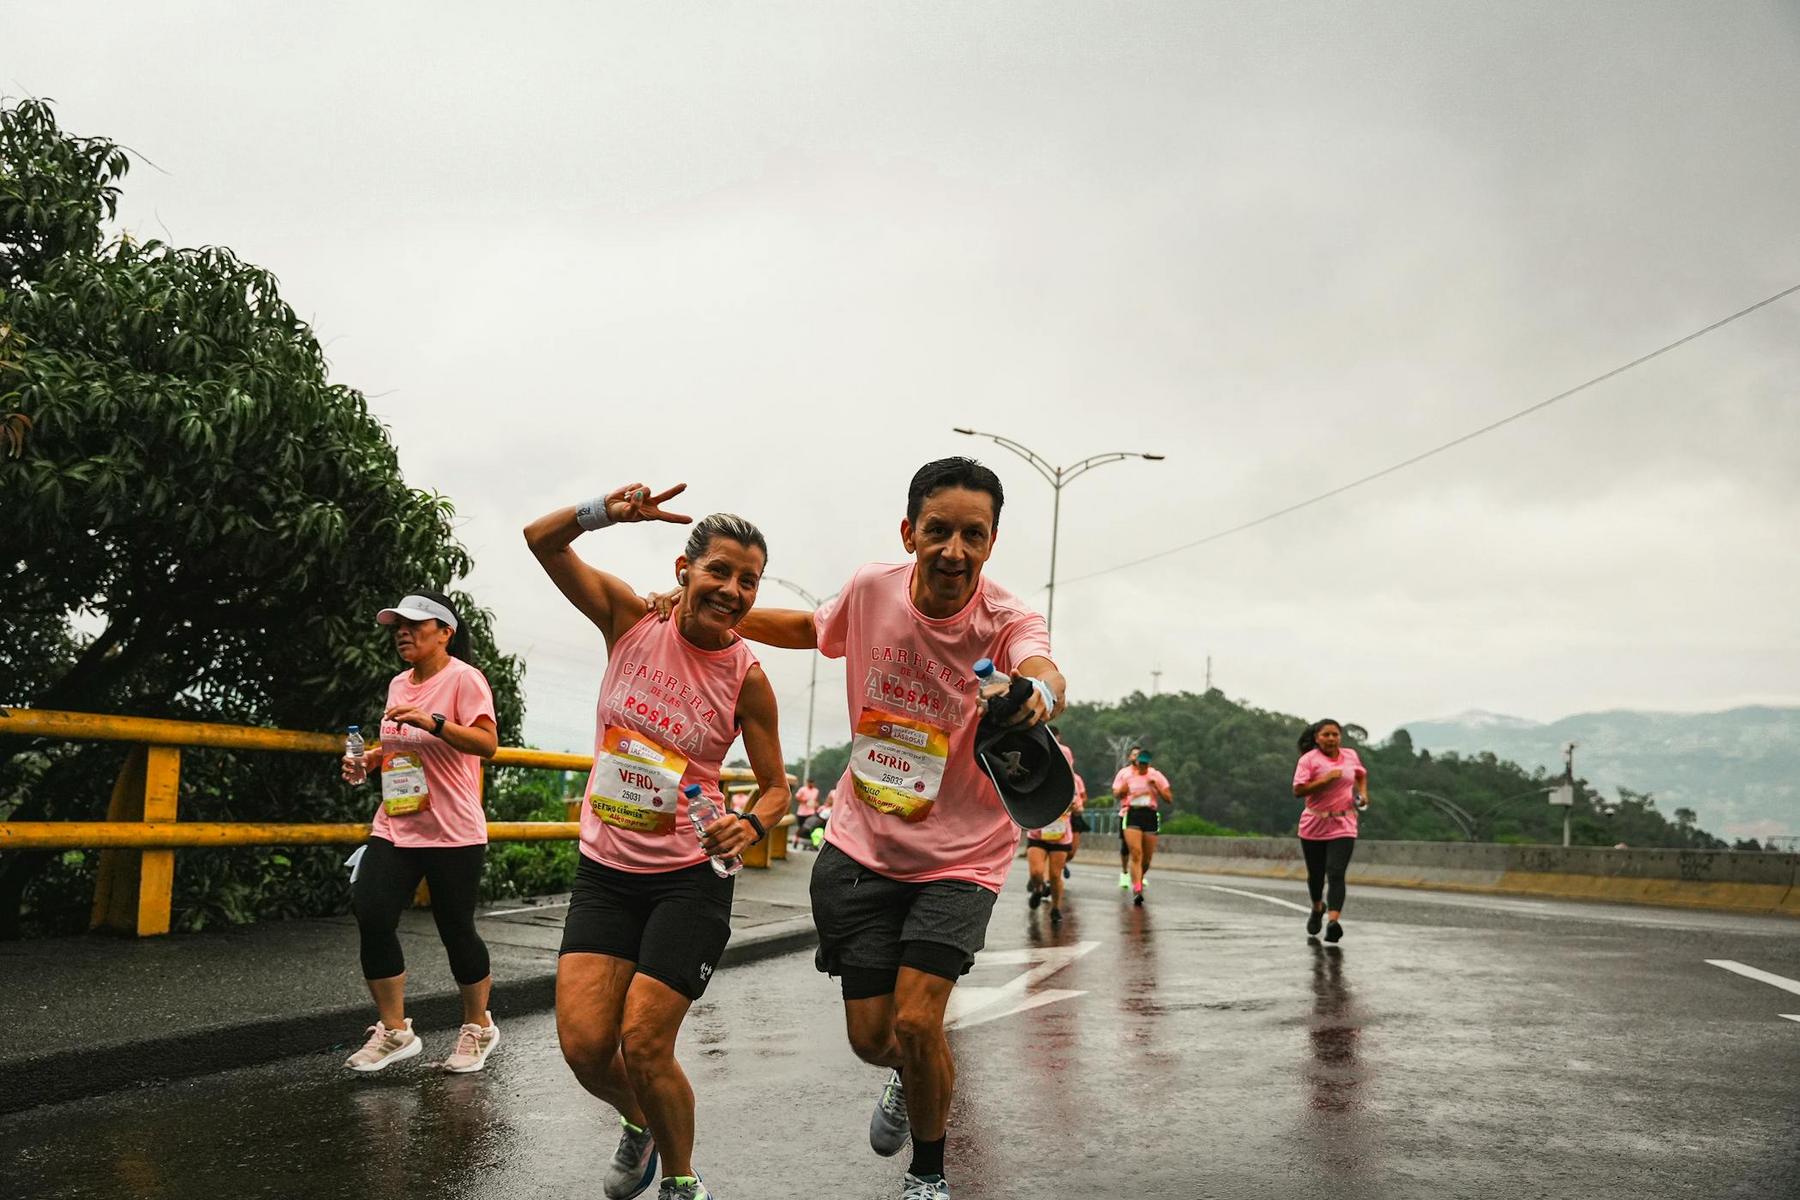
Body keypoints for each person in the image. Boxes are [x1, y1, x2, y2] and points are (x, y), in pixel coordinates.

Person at [671, 457, 1066, 1200]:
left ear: (992, 540)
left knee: (920, 1022)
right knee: (872, 1038)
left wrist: (1034, 693)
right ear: (909, 530)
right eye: (939, 531)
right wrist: (709, 608)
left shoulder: (1008, 618)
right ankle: (905, 1076)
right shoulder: (871, 587)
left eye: (973, 536)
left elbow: (1043, 671)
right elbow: (806, 628)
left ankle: (928, 1173)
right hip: (860, 846)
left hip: (962, 854)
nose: (955, 550)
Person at [526, 485, 791, 1200]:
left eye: (748, 581)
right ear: (684, 569)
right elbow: (540, 540)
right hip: (607, 869)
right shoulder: (628, 619)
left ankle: (682, 1180)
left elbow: (777, 789)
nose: (732, 591)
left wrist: (755, 823)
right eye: (720, 572)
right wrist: (605, 512)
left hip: (690, 877)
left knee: (643, 1043)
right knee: (585, 1048)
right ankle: (639, 1123)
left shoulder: (749, 679)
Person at [340, 590, 502, 1075]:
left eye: (414, 624)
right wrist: (371, 759)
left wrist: (434, 722)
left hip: (453, 829)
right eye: (396, 626)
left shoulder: (465, 679)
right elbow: (402, 748)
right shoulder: (397, 684)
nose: (402, 632)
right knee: (370, 909)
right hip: (397, 822)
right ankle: (395, 1031)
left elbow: (487, 743)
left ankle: (478, 1026)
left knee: (456, 930)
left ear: (445, 632)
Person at [1292, 718, 1368, 943]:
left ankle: (1333, 922)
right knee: (1316, 876)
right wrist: (1324, 780)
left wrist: (1363, 795)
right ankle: (1318, 907)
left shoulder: (1350, 756)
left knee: (1335, 873)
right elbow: (1298, 791)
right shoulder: (1309, 760)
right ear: (1317, 738)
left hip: (1344, 824)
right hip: (1314, 824)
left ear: (1340, 737)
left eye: (1335, 734)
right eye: (1326, 735)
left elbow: (1361, 775)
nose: (1331, 739)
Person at [1114, 748, 1172, 905]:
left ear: (1149, 764)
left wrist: (1157, 787)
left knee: (1146, 859)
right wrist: (1123, 790)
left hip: (1150, 815)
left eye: (1146, 764)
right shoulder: (1128, 775)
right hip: (1132, 813)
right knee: (1136, 853)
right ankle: (1137, 888)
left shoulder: (1155, 775)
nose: (1143, 767)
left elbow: (1169, 798)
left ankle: (1139, 877)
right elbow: (1117, 794)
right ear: (1136, 762)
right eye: (1141, 764)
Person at [1023, 800, 1075, 923]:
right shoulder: (1037, 781)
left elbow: (1078, 806)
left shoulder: (1070, 784)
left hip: (1060, 836)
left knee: (1055, 876)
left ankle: (1055, 908)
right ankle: (1038, 890)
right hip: (1038, 833)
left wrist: (1074, 807)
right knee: (1036, 872)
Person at [1112, 744, 1141, 889]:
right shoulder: (1124, 773)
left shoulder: (1151, 773)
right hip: (1127, 812)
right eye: (1134, 754)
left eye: (1139, 754)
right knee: (1126, 846)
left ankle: (1139, 876)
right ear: (1130, 757)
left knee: (1142, 848)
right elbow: (1116, 793)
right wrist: (1126, 787)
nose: (1136, 757)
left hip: (1146, 813)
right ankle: (1124, 873)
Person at [793, 777, 821, 848]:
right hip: (802, 812)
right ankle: (796, 840)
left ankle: (808, 844)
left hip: (811, 812)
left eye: (812, 783)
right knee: (801, 827)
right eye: (809, 782)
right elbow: (797, 797)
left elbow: (816, 800)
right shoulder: (802, 789)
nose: (811, 784)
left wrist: (816, 805)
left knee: (809, 828)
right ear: (807, 783)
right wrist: (804, 800)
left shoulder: (816, 791)